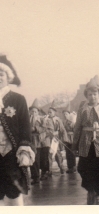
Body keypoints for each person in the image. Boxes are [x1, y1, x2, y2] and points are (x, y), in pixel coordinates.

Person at [73, 78, 99, 205]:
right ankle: (90, 190)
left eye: (95, 94)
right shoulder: (82, 108)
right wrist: (74, 146)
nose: (92, 97)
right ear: (86, 95)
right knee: (83, 168)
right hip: (85, 143)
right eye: (90, 94)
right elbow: (77, 127)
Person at [0, 54, 35, 206]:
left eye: (0, 74)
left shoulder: (18, 99)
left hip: (11, 153)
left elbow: (25, 126)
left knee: (14, 192)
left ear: (8, 77)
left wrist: (24, 149)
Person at [42, 100, 68, 176]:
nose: (49, 113)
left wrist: (64, 138)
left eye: (51, 112)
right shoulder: (46, 119)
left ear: (54, 112)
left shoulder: (58, 119)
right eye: (48, 112)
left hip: (55, 139)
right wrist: (47, 133)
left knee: (58, 154)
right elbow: (43, 129)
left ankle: (61, 167)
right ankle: (49, 170)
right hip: (48, 139)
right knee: (49, 155)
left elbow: (62, 129)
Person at [29, 99, 46, 184]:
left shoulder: (41, 120)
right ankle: (34, 175)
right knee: (31, 158)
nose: (34, 113)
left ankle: (37, 176)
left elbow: (44, 129)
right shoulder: (28, 119)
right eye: (32, 111)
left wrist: (35, 128)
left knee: (36, 158)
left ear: (38, 112)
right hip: (29, 140)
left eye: (35, 111)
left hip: (37, 141)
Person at [62, 102, 77, 174]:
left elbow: (75, 130)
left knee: (71, 152)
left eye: (66, 114)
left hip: (72, 138)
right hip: (66, 138)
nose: (65, 115)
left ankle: (73, 167)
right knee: (67, 153)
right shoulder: (64, 122)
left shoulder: (73, 122)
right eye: (64, 114)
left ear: (69, 114)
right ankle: (69, 167)